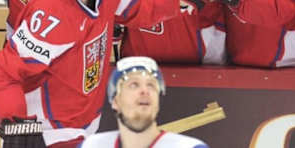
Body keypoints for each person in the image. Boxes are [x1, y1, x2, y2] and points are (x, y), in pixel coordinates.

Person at [0, 0, 208, 147]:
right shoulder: (50, 18)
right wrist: (19, 122)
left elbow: (140, 7)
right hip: (52, 131)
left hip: (86, 121)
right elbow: (2, 74)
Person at [79, 56, 209, 148]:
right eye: (134, 84)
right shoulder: (90, 145)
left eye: (151, 85)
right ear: (115, 101)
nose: (145, 90)